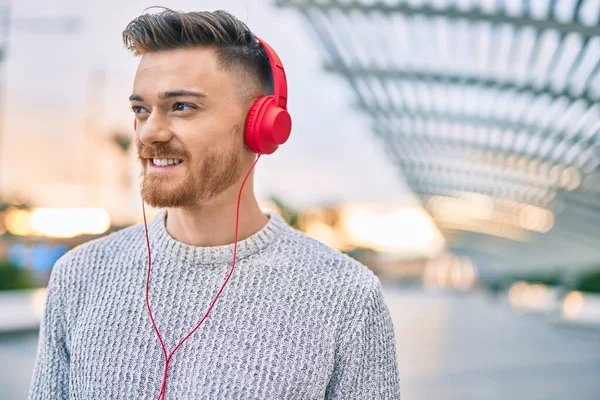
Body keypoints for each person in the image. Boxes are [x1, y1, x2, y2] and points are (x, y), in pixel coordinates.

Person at [28, 8, 401, 400]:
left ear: (261, 126)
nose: (150, 131)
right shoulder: (79, 277)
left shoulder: (346, 298)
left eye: (182, 107)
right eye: (141, 110)